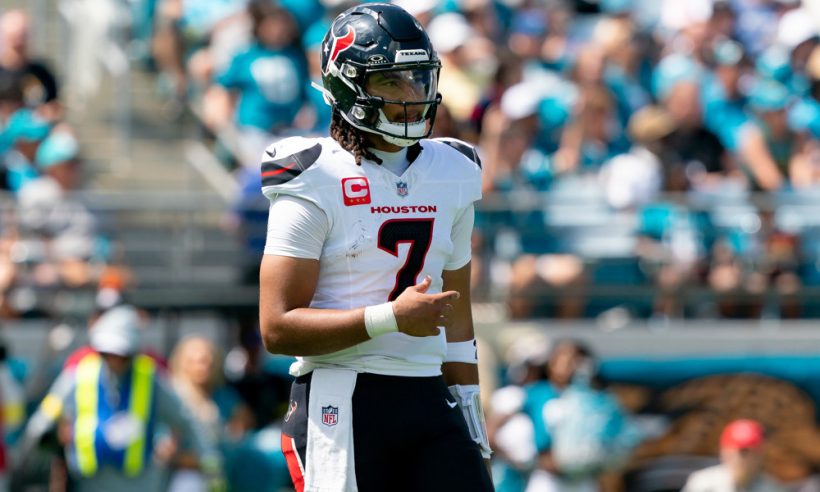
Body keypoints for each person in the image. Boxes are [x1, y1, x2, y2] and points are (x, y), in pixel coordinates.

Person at [257, 3, 492, 491]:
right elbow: (277, 327)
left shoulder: (454, 169)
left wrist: (471, 414)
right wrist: (389, 318)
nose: (412, 96)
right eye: (391, 82)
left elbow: (457, 317)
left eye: (418, 79)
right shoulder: (313, 174)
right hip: (342, 393)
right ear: (348, 86)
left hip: (429, 397)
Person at [14, 305, 223, 492]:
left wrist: (212, 467)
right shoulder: (79, 375)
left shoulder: (151, 379)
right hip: (90, 481)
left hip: (140, 482)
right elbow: (43, 420)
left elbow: (187, 420)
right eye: (108, 353)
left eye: (121, 355)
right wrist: (26, 460)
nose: (114, 361)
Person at [683, 419, 788, 492]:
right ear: (724, 452)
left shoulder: (773, 489)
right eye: (740, 451)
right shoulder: (702, 483)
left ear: (760, 454)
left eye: (750, 452)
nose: (744, 458)